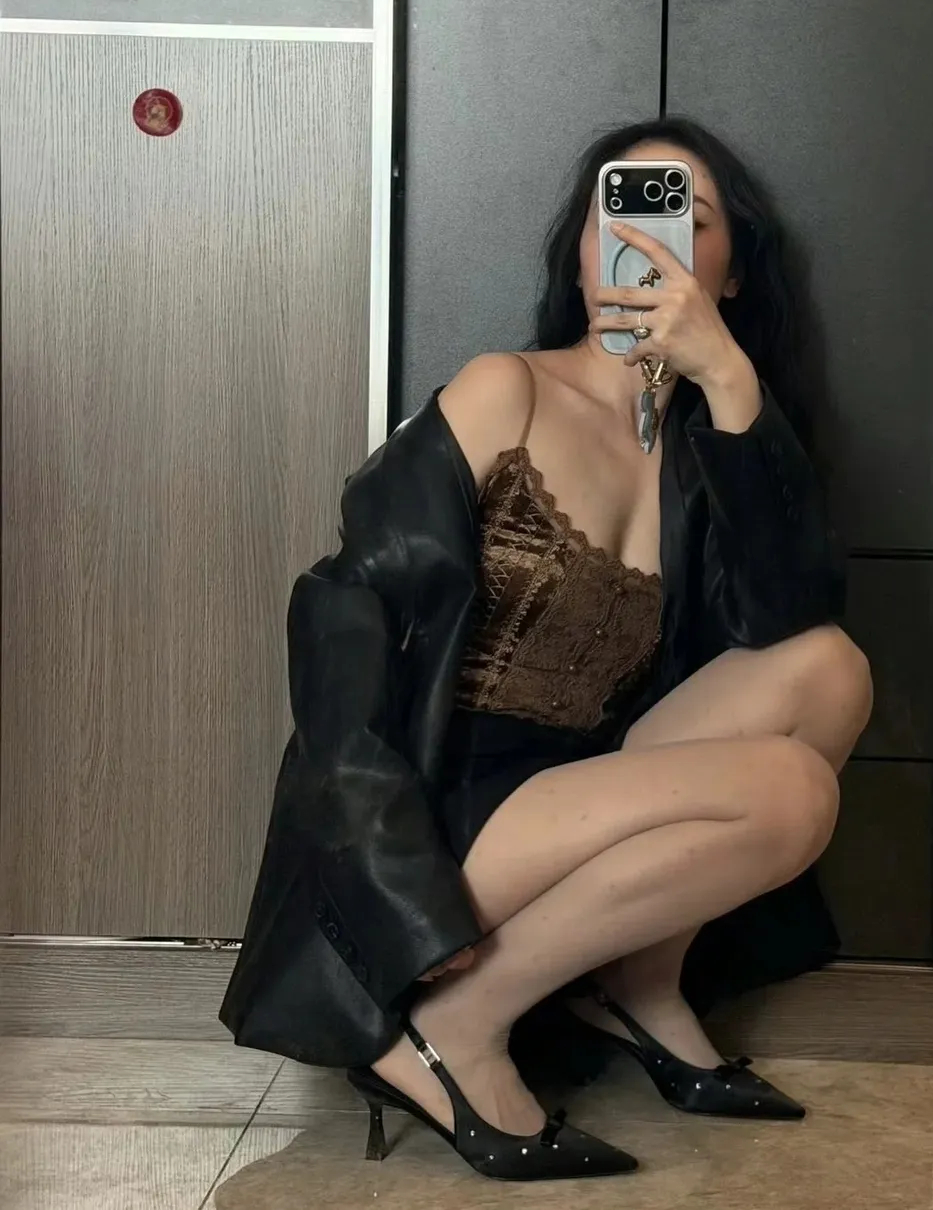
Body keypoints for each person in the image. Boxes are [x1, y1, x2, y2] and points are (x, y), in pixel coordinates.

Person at [219, 116, 873, 1181]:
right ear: (578, 254)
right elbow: (342, 621)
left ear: (731, 273)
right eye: (618, 211)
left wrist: (728, 380)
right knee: (790, 792)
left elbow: (783, 617)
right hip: (449, 806)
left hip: (577, 788)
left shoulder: (705, 450)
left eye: (688, 218)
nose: (646, 240)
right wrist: (388, 877)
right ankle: (455, 1027)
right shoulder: (506, 390)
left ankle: (639, 983)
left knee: (829, 670)